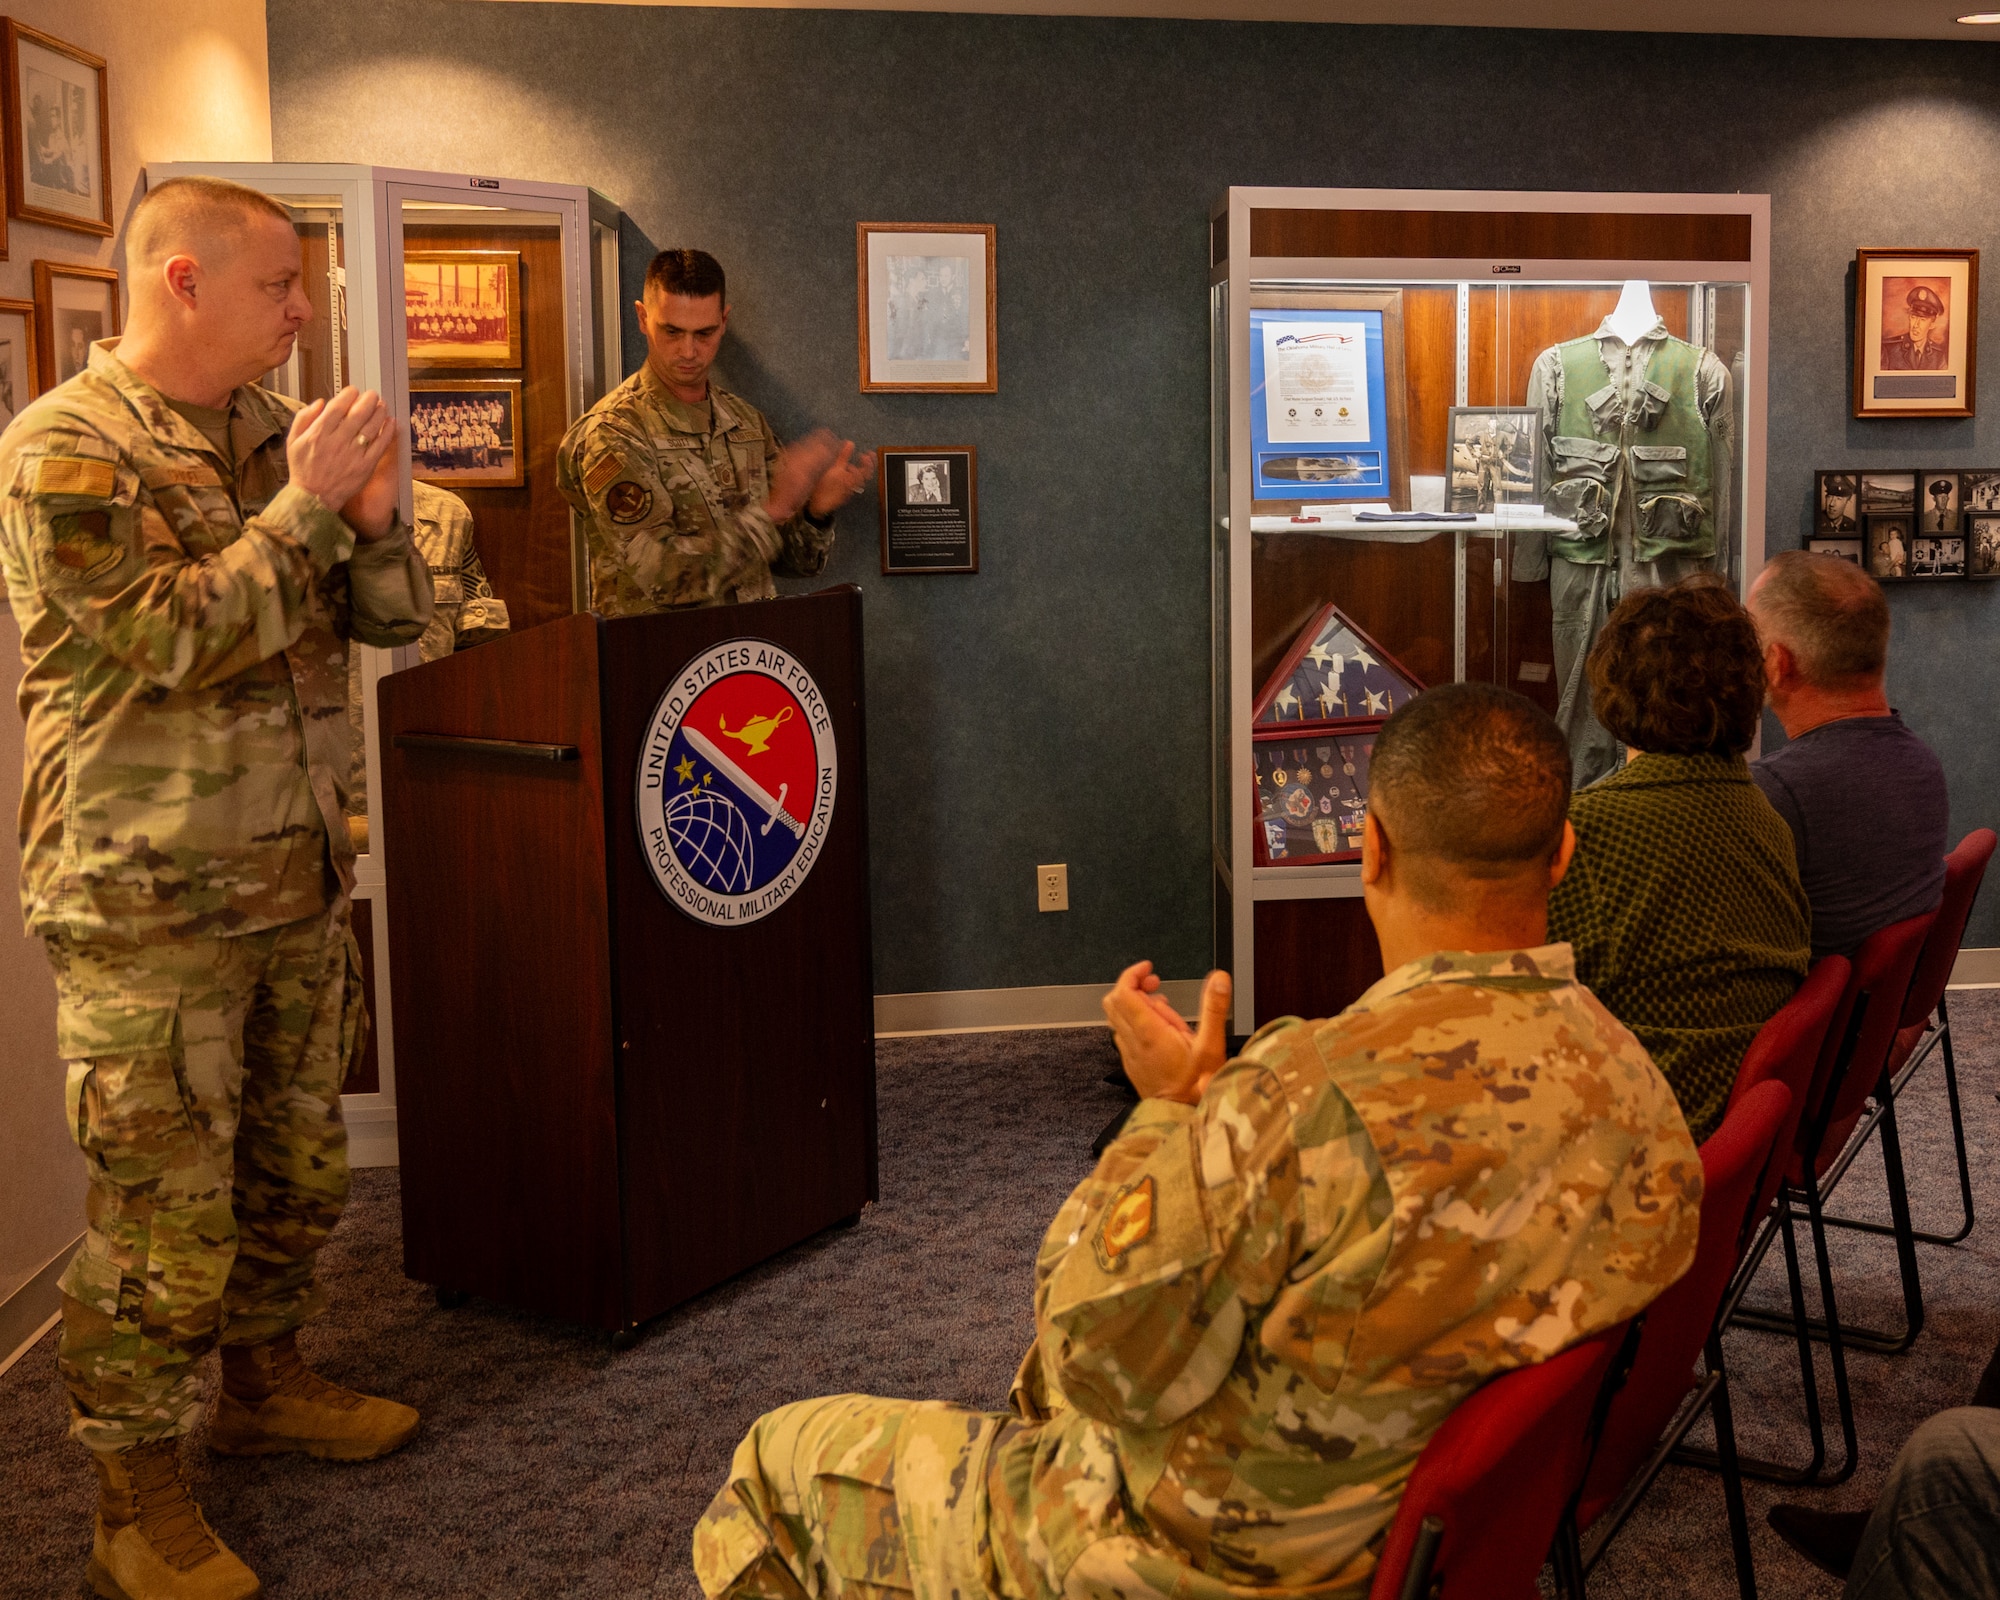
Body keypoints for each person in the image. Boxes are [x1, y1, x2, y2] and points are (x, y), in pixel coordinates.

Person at [691, 683, 1703, 1600]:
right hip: (1425, 1549)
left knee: (775, 1464)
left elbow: (1090, 1353)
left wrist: (1170, 1110)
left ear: (1369, 847)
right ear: (1564, 850)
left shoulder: (1302, 1092)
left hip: (1208, 1560)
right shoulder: (1639, 1092)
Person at [0, 175, 433, 1600]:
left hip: (295, 874)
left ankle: (264, 1383)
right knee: (161, 1224)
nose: (305, 312)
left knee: (297, 1175)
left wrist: (373, 520)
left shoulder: (266, 433)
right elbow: (176, 640)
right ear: (181, 281)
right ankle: (133, 1500)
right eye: (279, 288)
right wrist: (311, 512)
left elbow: (380, 622)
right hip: (150, 908)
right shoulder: (63, 451)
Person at [1547, 575, 1810, 1142]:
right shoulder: (1766, 821)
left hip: (1632, 1153)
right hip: (1738, 1147)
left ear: (1613, 687)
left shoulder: (1584, 833)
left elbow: (1511, 999)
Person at [557, 248, 873, 616]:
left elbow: (791, 561)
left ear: (723, 321)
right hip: (659, 660)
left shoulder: (745, 422)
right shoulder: (614, 433)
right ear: (643, 317)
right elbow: (666, 578)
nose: (688, 351)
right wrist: (774, 509)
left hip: (748, 655)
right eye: (672, 331)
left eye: (704, 333)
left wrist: (816, 510)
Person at [1746, 550, 1948, 959]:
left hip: (1813, 1016)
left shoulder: (1776, 794)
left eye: (1750, 641)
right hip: (1877, 1014)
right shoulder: (1923, 763)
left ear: (1777, 663)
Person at [345, 480, 510, 840]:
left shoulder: (447, 514)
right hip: (335, 777)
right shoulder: (296, 514)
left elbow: (477, 638)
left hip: (428, 758)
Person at [1882, 283, 1949, 371]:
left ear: (1932, 324)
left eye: (1922, 320)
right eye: (1913, 317)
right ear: (1909, 318)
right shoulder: (1889, 349)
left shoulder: (1939, 355)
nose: (1916, 325)